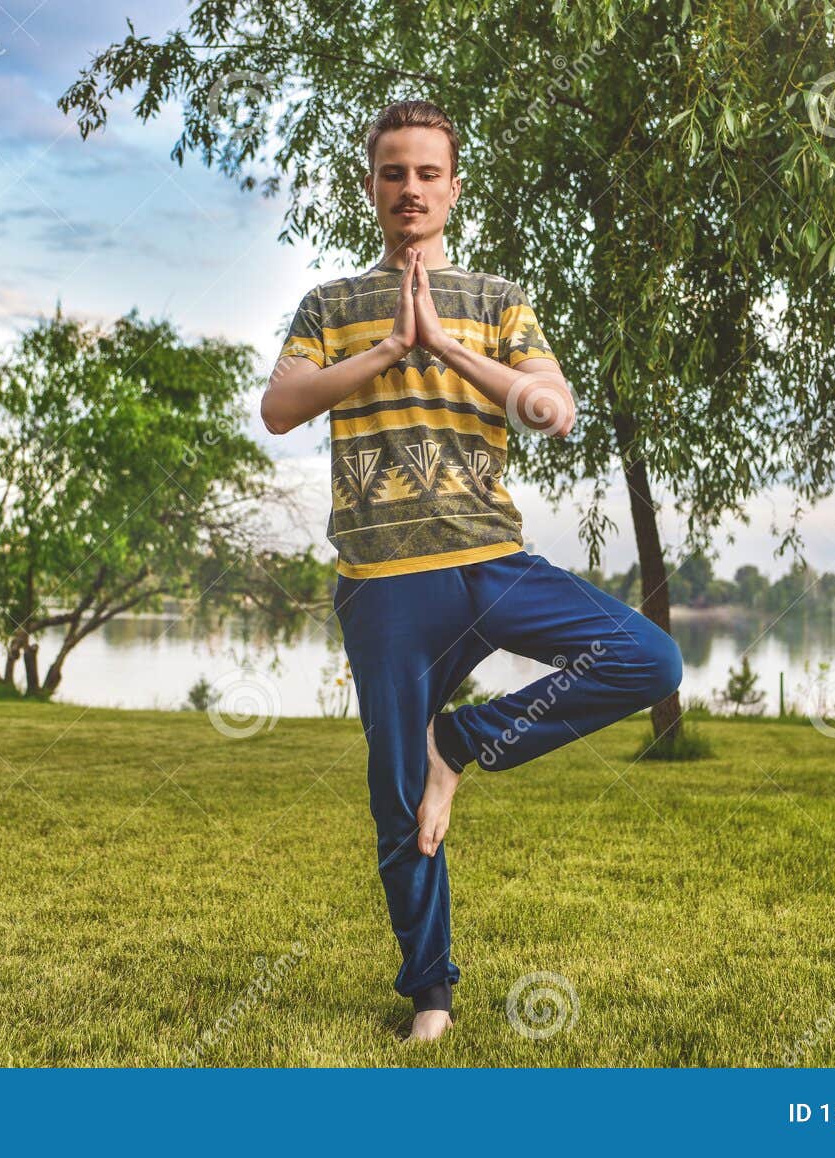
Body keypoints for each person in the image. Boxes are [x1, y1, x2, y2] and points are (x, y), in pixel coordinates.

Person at [261, 99, 683, 1043]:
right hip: (384, 582)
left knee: (648, 661)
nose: (409, 188)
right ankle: (432, 999)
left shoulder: (497, 302)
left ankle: (463, 744)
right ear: (371, 186)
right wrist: (390, 349)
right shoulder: (331, 306)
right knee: (395, 795)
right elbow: (281, 407)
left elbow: (552, 411)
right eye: (392, 173)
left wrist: (446, 346)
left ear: (453, 187)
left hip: (492, 560)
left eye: (426, 173)